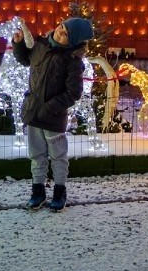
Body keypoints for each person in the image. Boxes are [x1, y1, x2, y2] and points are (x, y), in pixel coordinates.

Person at [12, 16, 94, 211]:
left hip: (53, 118)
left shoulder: (72, 62)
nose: (59, 31)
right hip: (33, 114)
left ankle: (59, 191)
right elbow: (25, 59)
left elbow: (73, 93)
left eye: (66, 34)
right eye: (61, 27)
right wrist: (18, 44)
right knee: (37, 155)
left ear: (75, 42)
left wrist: (48, 108)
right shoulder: (41, 45)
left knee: (58, 157)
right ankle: (38, 191)